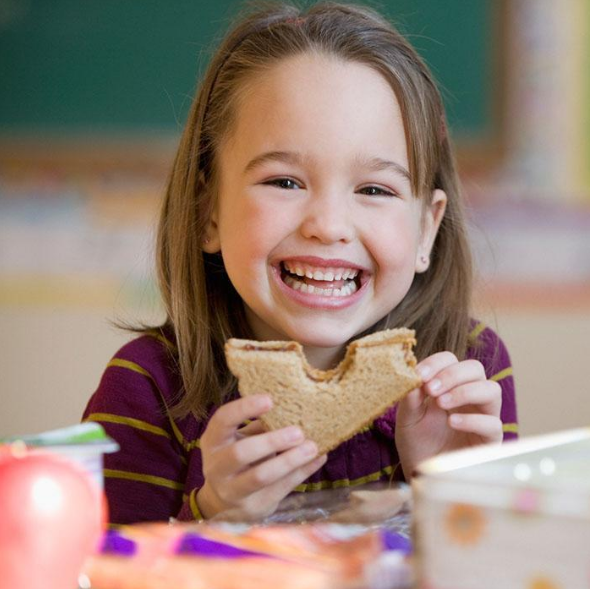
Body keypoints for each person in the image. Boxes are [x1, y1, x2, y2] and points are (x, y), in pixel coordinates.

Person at [82, 1, 517, 525]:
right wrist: (212, 514)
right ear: (208, 212)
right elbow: (106, 571)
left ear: (426, 228)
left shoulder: (469, 376)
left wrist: (451, 494)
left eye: (375, 189)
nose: (328, 224)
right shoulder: (147, 387)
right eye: (284, 182)